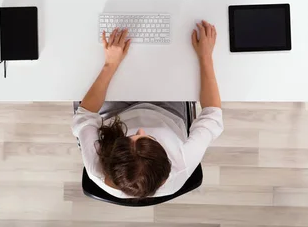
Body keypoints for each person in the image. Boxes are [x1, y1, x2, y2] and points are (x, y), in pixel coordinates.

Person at [72, 20, 223, 199]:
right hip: (165, 111)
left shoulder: (97, 167)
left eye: (131, 137)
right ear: (168, 161)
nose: (142, 129)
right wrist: (205, 56)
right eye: (150, 138)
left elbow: (85, 115)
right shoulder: (182, 162)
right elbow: (212, 114)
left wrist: (110, 64)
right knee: (177, 55)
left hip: (114, 114)